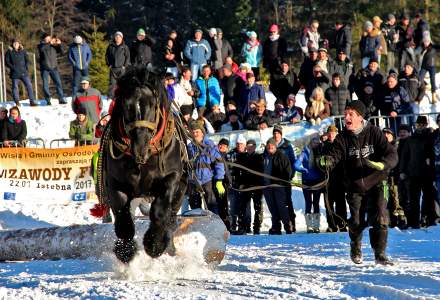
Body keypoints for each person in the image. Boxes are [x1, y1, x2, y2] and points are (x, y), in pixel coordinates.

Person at [320, 100, 398, 265]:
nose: (346, 117)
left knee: (380, 216)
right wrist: (327, 161)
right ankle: (355, 246)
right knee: (356, 222)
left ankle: (380, 254)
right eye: (345, 113)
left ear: (360, 117)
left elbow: (391, 154)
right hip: (354, 185)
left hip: (377, 181)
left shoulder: (374, 132)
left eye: (351, 114)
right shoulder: (342, 137)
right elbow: (334, 155)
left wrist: (383, 164)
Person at [399, 116, 438, 228]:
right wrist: (402, 170)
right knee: (414, 199)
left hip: (427, 173)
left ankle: (430, 220)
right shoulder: (411, 139)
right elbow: (404, 156)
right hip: (413, 173)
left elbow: (433, 153)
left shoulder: (431, 137)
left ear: (426, 125)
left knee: (429, 198)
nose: (420, 127)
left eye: (422, 125)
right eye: (418, 125)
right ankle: (413, 222)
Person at [186, 121, 225, 213]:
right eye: (193, 132)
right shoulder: (189, 147)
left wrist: (219, 180)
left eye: (197, 132)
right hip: (193, 181)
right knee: (195, 209)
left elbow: (219, 162)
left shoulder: (210, 145)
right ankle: (198, 226)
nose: (195, 134)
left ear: (202, 133)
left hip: (207, 180)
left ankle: (214, 225)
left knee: (211, 207)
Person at [263, 137, 294, 234]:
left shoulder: (281, 156)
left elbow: (288, 171)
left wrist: (283, 181)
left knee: (281, 207)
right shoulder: (263, 157)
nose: (270, 147)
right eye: (268, 145)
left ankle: (288, 226)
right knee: (272, 208)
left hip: (279, 186)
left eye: (272, 145)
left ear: (275, 146)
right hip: (267, 187)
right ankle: (276, 227)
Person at [295, 136, 324, 233]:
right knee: (308, 203)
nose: (316, 144)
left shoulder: (320, 151)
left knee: (316, 203)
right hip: (306, 181)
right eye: (314, 142)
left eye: (317, 142)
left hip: (317, 181)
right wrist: (303, 169)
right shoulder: (305, 152)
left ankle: (316, 226)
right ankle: (309, 226)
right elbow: (295, 165)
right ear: (310, 142)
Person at [235, 139, 264, 235]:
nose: (250, 148)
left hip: (256, 186)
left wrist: (259, 184)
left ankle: (257, 227)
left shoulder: (259, 157)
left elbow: (261, 172)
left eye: (252, 146)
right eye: (248, 146)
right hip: (245, 186)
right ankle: (243, 227)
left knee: (258, 207)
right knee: (243, 207)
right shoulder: (242, 157)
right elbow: (237, 171)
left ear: (255, 147)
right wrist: (239, 183)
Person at [321, 125, 347, 232]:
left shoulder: (341, 146)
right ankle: (332, 225)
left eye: (333, 133)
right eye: (330, 133)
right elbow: (319, 161)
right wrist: (323, 163)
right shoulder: (324, 147)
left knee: (341, 203)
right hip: (327, 180)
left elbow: (345, 161)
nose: (331, 135)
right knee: (328, 204)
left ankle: (342, 224)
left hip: (340, 179)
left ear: (337, 134)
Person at [273, 124, 297, 231]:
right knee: (276, 202)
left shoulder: (287, 146)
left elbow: (293, 161)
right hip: (274, 180)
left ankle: (292, 223)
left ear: (281, 134)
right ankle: (277, 225)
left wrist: (290, 175)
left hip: (285, 179)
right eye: (274, 133)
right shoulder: (271, 145)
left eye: (278, 133)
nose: (276, 135)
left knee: (288, 201)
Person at [382, 128, 407, 229]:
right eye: (384, 134)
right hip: (384, 177)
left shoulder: (397, 146)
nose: (386, 135)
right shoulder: (380, 147)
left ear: (392, 135)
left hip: (396, 177)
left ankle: (401, 220)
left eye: (388, 133)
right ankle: (389, 221)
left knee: (397, 199)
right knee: (385, 198)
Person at [5, 39, 36, 106]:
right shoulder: (9, 52)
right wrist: (13, 68)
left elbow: (27, 60)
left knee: (29, 85)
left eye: (17, 43)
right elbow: (7, 62)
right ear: (12, 44)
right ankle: (17, 102)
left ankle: (32, 101)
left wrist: (26, 68)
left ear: (19, 44)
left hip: (24, 72)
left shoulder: (23, 51)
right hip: (14, 73)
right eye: (14, 43)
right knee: (15, 87)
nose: (16, 44)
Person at [37, 33, 66, 105]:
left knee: (58, 83)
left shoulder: (53, 46)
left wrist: (59, 44)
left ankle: (61, 98)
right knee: (46, 85)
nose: (49, 39)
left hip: (54, 67)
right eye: (47, 38)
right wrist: (50, 43)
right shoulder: (41, 45)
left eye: (49, 38)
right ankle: (48, 99)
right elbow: (42, 50)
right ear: (44, 39)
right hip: (45, 68)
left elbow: (62, 52)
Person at [105, 31, 130, 100]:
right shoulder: (110, 46)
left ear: (122, 38)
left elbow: (127, 57)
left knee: (122, 83)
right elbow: (107, 56)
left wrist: (124, 66)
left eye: (119, 37)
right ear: (115, 38)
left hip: (121, 68)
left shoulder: (125, 47)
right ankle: (110, 97)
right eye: (116, 37)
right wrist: (108, 64)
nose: (118, 38)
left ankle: (123, 96)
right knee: (112, 84)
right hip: (113, 68)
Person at [68, 34, 92, 100]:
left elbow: (89, 54)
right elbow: (70, 56)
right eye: (77, 43)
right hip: (77, 68)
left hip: (85, 67)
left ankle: (88, 95)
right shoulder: (72, 47)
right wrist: (74, 63)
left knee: (87, 81)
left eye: (79, 43)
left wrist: (87, 62)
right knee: (76, 83)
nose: (78, 44)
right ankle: (74, 97)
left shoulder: (85, 46)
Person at [216, 138, 232, 231]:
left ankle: (227, 227)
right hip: (219, 184)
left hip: (226, 184)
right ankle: (224, 227)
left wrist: (229, 182)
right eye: (221, 145)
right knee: (221, 206)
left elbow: (228, 171)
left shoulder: (226, 156)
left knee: (225, 207)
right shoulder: (217, 155)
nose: (222, 147)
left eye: (225, 146)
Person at [419, 36, 437, 103]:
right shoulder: (422, 47)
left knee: (433, 80)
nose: (426, 43)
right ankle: (425, 86)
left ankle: (433, 96)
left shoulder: (433, 47)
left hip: (432, 66)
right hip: (424, 66)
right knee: (420, 79)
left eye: (427, 41)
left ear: (430, 41)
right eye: (425, 41)